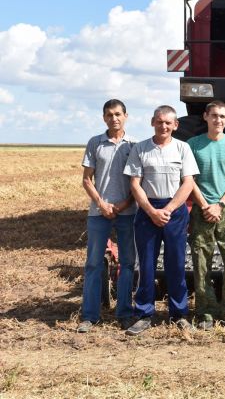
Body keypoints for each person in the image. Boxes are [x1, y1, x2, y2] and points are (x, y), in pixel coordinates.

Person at [123, 105, 199, 336]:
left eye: (168, 122)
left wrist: (168, 209)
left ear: (175, 125)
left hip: (174, 210)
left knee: (176, 264)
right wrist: (151, 210)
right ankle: (144, 313)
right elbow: (135, 183)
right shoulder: (141, 149)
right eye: (159, 121)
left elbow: (188, 183)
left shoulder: (183, 148)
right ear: (152, 122)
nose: (163, 126)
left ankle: (179, 313)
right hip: (148, 211)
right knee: (146, 265)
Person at [77, 99, 137, 333]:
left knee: (127, 264)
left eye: (118, 114)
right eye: (110, 115)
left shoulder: (134, 145)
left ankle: (124, 313)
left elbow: (137, 183)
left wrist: (122, 205)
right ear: (104, 118)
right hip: (98, 213)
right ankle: (90, 316)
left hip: (127, 212)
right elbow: (86, 179)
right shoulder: (95, 143)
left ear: (126, 116)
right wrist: (102, 204)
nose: (114, 118)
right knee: (93, 264)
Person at [187, 101, 225, 330]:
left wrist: (219, 204)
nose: (218, 120)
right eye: (214, 116)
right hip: (202, 211)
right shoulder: (192, 145)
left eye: (222, 116)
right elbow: (189, 179)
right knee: (201, 265)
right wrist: (204, 205)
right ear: (205, 117)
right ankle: (205, 313)